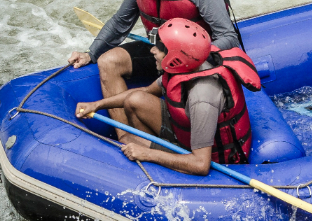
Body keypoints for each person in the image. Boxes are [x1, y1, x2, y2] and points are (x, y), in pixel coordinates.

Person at [68, 0, 241, 123]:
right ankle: (126, 138)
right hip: (159, 52)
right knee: (108, 61)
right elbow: (120, 21)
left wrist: (192, 58)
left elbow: (228, 36)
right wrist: (91, 54)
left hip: (193, 61)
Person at [75, 18, 260, 175]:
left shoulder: (202, 97)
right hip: (186, 132)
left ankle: (155, 159)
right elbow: (144, 93)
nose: (152, 51)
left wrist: (146, 154)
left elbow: (201, 165)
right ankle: (154, 150)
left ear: (176, 57)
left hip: (211, 155)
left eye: (160, 48)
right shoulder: (184, 67)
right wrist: (97, 105)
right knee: (135, 100)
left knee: (130, 141)